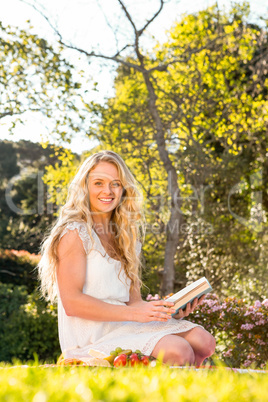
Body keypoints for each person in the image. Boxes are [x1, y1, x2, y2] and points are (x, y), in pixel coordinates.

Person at [38, 150, 215, 366]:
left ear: (123, 189)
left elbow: (134, 302)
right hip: (92, 337)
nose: (108, 191)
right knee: (179, 351)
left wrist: (168, 312)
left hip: (126, 324)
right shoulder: (74, 232)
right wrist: (134, 314)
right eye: (99, 183)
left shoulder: (126, 236)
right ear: (84, 186)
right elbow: (72, 303)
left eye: (116, 184)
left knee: (204, 341)